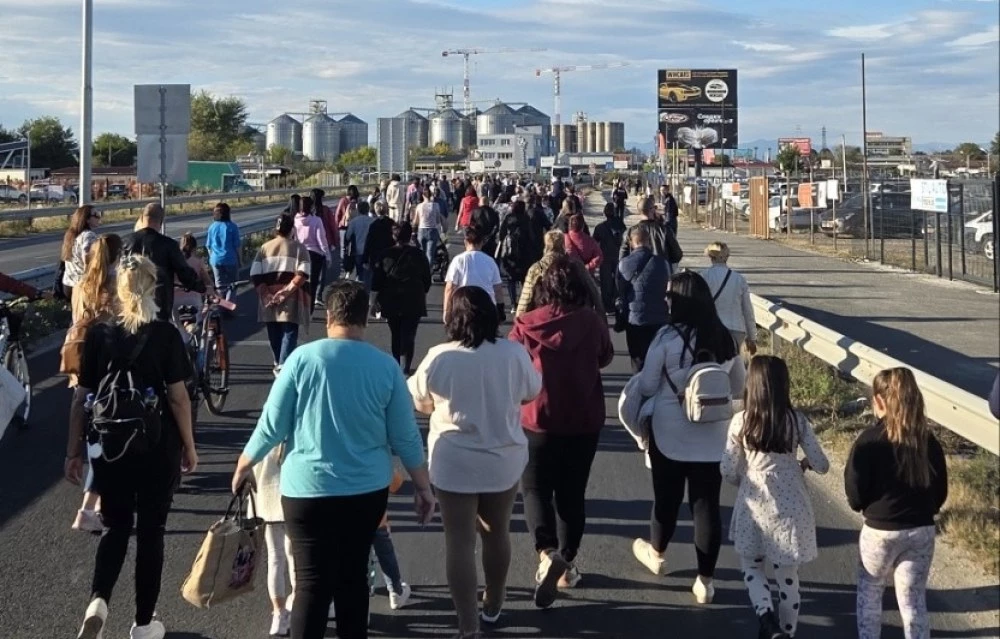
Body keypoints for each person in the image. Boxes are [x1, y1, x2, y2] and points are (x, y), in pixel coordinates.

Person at [231, 281, 436, 639]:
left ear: (328, 317)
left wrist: (244, 464)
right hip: (365, 492)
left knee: (310, 583)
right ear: (364, 320)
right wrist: (423, 487)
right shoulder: (385, 367)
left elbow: (272, 426)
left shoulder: (300, 360)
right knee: (352, 579)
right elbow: (405, 437)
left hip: (305, 491)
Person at [66, 254, 197, 639]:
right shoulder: (166, 335)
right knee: (152, 532)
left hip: (111, 446)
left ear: (118, 289)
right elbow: (179, 399)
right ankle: (143, 623)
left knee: (115, 526)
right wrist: (189, 446)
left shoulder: (99, 335)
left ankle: (98, 602)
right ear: (153, 286)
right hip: (157, 445)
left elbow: (81, 398)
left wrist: (73, 452)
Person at [408, 286, 542, 639]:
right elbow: (531, 392)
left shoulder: (440, 356)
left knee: (459, 541)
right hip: (502, 458)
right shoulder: (513, 353)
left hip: (454, 461)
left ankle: (468, 625)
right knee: (497, 532)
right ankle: (494, 601)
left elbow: (419, 400)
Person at [630, 271, 743, 605]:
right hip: (713, 435)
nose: (666, 300)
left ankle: (657, 554)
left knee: (666, 499)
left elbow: (647, 385)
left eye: (669, 296)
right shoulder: (724, 339)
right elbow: (738, 387)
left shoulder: (666, 337)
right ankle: (705, 581)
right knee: (706, 505)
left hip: (670, 432)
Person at [509, 256, 614, 608]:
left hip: (537, 418)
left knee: (535, 489)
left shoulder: (527, 324)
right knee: (572, 492)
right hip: (583, 418)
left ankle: (546, 552)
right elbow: (605, 357)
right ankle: (567, 562)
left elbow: (512, 362)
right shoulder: (591, 321)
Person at [721, 356, 830, 639]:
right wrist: (803, 464)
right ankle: (787, 632)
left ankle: (766, 618)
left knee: (752, 566)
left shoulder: (741, 421)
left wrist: (745, 479)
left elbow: (727, 469)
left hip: (755, 503)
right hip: (791, 505)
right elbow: (822, 464)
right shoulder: (797, 421)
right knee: (788, 576)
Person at [845, 367, 948, 639]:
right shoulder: (929, 442)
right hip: (921, 530)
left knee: (870, 593)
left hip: (880, 531)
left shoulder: (868, 441)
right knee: (913, 602)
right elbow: (940, 493)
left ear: (879, 401)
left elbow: (855, 495)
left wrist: (867, 506)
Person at [67, 233, 123, 534]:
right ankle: (88, 508)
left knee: (93, 430)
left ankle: (98, 505)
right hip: (107, 362)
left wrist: (70, 453)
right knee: (108, 434)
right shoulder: (116, 285)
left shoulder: (81, 284)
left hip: (82, 358)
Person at [250, 214, 311, 377]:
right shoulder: (299, 248)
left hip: (269, 299)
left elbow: (255, 274)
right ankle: (283, 365)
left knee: (273, 332)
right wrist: (285, 292)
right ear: (292, 229)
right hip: (291, 298)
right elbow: (303, 274)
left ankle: (278, 361)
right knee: (289, 332)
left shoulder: (264, 248)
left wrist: (266, 295)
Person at [125, 203, 206, 323]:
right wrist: (201, 287)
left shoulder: (126, 242)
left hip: (132, 302)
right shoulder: (169, 245)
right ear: (161, 222)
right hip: (159, 302)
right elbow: (184, 273)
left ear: (141, 218)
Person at [371, 222, 432, 375]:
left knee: (395, 333)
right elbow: (427, 279)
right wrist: (422, 291)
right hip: (414, 298)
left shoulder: (385, 255)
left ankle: (396, 364)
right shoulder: (419, 254)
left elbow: (377, 281)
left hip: (391, 299)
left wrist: (374, 302)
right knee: (409, 334)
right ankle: (406, 367)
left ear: (393, 236)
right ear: (410, 235)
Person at [617, 225, 670, 373]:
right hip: (659, 318)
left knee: (638, 361)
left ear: (631, 242)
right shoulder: (663, 263)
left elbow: (620, 291)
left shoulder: (624, 264)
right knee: (658, 362)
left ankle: (639, 383)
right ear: (648, 241)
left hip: (635, 319)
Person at [516, 230, 603, 317]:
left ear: (546, 245)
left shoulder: (537, 268)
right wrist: (601, 317)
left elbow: (526, 298)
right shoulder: (576, 265)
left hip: (544, 316)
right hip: (573, 315)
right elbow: (593, 292)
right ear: (563, 245)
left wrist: (519, 319)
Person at [700, 242, 757, 355]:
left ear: (710, 256)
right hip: (736, 330)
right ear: (727, 257)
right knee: (733, 363)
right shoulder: (739, 279)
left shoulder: (703, 276)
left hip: (711, 328)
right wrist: (752, 337)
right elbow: (747, 311)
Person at [443, 226, 505, 324]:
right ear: (482, 243)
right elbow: (497, 288)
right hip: (486, 305)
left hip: (464, 304)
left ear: (465, 242)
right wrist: (500, 309)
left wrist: (447, 311)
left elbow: (450, 288)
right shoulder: (490, 261)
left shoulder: (458, 260)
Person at [172, 233, 215, 343]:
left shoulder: (173, 262)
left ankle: (184, 347)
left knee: (179, 328)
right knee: (195, 324)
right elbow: (207, 280)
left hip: (174, 300)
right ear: (194, 248)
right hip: (193, 300)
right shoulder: (198, 262)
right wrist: (213, 289)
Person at [620, 196, 683, 269]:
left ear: (639, 211)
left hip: (637, 272)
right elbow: (677, 255)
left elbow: (622, 258)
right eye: (655, 207)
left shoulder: (630, 232)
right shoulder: (664, 230)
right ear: (652, 210)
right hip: (661, 271)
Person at [294, 197, 330, 312]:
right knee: (313, 284)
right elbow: (322, 240)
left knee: (299, 282)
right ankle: (309, 311)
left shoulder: (295, 220)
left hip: (299, 254)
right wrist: (327, 255)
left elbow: (293, 238)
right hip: (314, 255)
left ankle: (299, 309)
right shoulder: (316, 220)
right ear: (311, 207)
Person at [496, 200, 534, 307]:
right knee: (524, 278)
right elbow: (531, 236)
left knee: (511, 279)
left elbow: (502, 233)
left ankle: (513, 303)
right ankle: (524, 302)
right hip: (524, 252)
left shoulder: (508, 218)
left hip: (510, 252)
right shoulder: (526, 219)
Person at [61, 205, 102, 303]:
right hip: (82, 286)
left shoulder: (70, 235)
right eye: (96, 215)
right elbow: (87, 256)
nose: (99, 217)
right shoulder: (89, 235)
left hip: (68, 284)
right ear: (87, 219)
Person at [593, 202, 627, 311]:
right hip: (618, 256)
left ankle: (607, 305)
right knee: (618, 281)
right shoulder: (621, 226)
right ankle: (617, 302)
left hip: (605, 257)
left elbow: (594, 243)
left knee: (605, 282)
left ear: (604, 213)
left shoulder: (599, 227)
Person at [205, 202, 241, 304]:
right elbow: (237, 246)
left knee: (220, 285)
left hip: (216, 259)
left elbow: (208, 246)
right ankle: (229, 304)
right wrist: (240, 260)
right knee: (232, 284)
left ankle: (222, 305)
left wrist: (212, 258)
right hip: (230, 259)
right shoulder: (232, 227)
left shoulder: (212, 227)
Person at [345, 201, 376, 292]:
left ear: (358, 210)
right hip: (370, 251)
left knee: (359, 272)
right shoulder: (373, 221)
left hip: (358, 250)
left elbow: (348, 236)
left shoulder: (354, 222)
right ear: (368, 209)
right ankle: (367, 291)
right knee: (369, 274)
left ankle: (359, 291)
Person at [413, 187, 445, 267]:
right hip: (433, 230)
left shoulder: (419, 206)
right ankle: (428, 271)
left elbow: (416, 221)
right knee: (430, 254)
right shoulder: (436, 205)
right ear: (431, 195)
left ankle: (421, 270)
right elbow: (438, 220)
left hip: (421, 230)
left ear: (423, 196)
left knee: (422, 253)